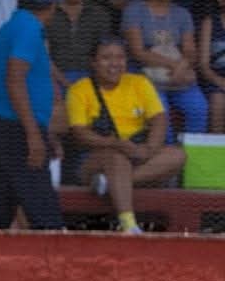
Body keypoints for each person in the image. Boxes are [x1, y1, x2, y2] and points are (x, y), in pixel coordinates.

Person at [66, 37, 185, 233]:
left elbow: (159, 119)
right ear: (93, 62)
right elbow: (79, 133)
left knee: (177, 155)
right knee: (117, 160)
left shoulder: (139, 82)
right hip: (97, 157)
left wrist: (148, 149)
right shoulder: (79, 89)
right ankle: (129, 225)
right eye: (106, 58)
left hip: (137, 152)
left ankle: (108, 183)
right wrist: (114, 144)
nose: (114, 63)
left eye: (120, 57)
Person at [0, 0, 63, 230]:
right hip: (16, 130)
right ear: (53, 5)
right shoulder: (29, 29)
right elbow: (15, 79)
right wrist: (33, 135)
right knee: (45, 216)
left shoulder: (10, 26)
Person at [122, 0, 207, 136]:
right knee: (161, 113)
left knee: (199, 107)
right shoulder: (134, 11)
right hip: (145, 75)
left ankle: (192, 151)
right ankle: (166, 151)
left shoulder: (182, 13)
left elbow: (190, 51)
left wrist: (181, 68)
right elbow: (138, 52)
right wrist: (175, 65)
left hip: (179, 76)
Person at [45, 0, 114, 89]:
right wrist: (67, 84)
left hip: (91, 79)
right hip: (52, 78)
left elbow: (104, 54)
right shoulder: (46, 13)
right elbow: (43, 57)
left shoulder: (99, 14)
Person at [199, 0, 225, 132]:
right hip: (214, 77)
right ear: (220, 0)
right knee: (217, 101)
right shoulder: (210, 22)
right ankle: (218, 143)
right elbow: (203, 65)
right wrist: (220, 81)